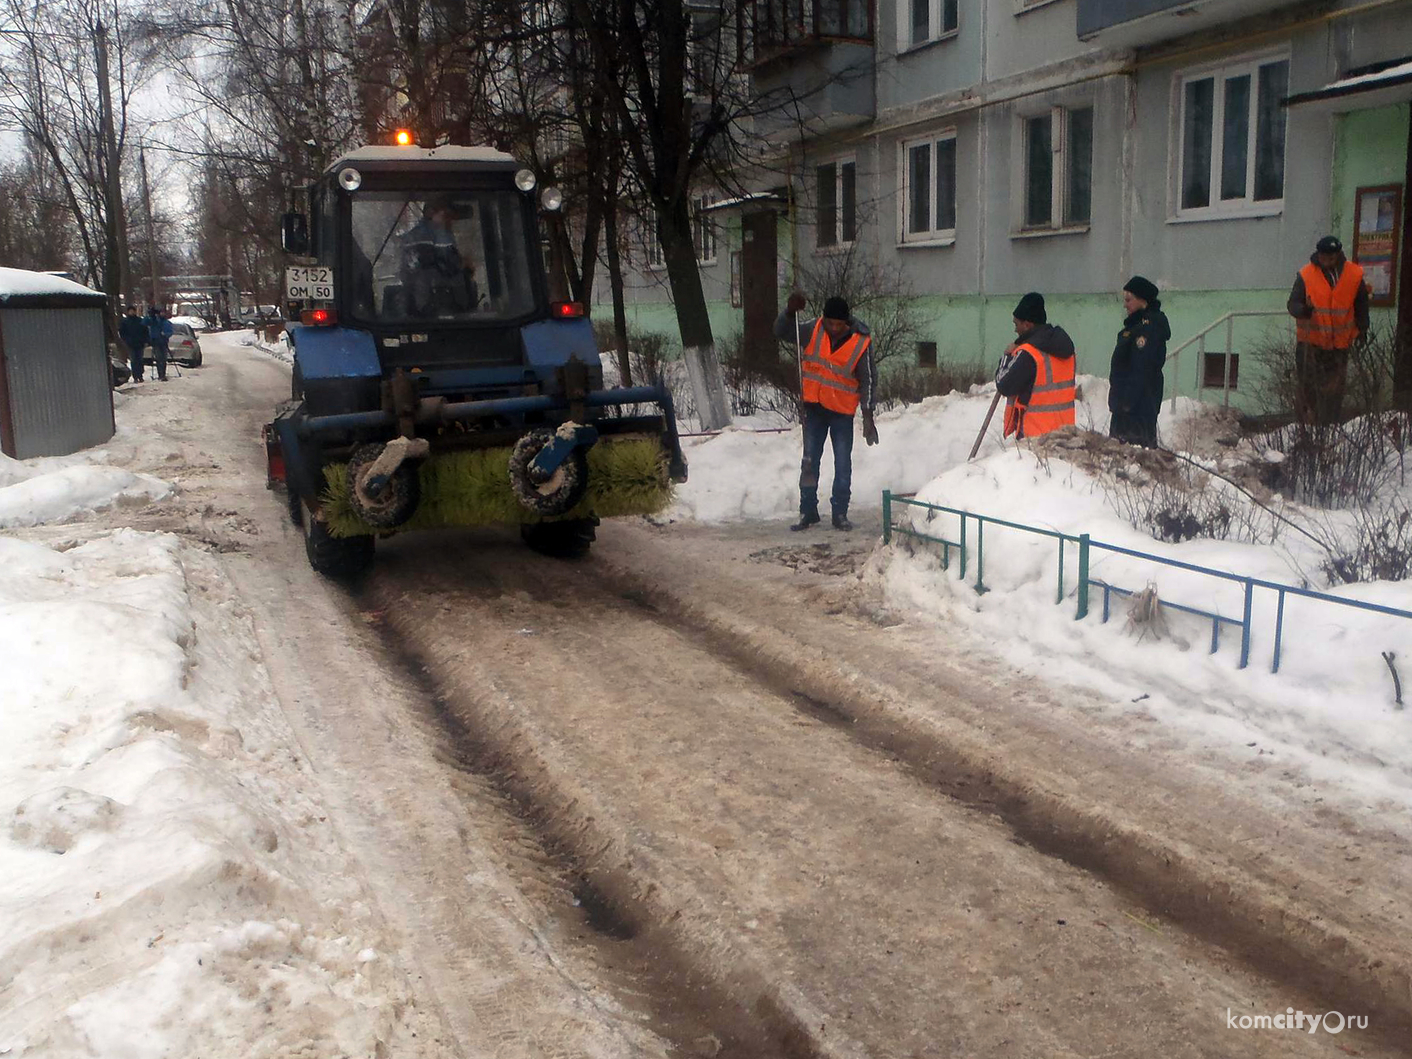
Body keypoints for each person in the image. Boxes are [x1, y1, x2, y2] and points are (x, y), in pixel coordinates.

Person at [776, 292, 878, 532]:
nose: (833, 328)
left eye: (838, 324)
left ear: (847, 321)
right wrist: (789, 312)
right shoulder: (813, 329)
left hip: (842, 412)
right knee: (809, 461)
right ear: (824, 318)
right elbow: (782, 331)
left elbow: (869, 379)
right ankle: (808, 510)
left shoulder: (860, 341)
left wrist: (868, 414)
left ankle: (840, 512)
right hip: (815, 409)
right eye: (830, 322)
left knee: (843, 463)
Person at [1286, 235, 1369, 425]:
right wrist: (1304, 310)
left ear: (1338, 255)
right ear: (1318, 254)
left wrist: (1362, 329)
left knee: (1334, 392)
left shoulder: (1354, 275)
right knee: (1309, 392)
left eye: (1331, 258)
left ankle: (1329, 428)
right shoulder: (1306, 275)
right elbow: (1292, 304)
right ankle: (1307, 430)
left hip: (1339, 345)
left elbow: (1361, 304)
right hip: (1310, 344)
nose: (1327, 262)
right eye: (1324, 258)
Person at [994, 292, 1076, 440]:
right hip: (1065, 435)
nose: (1015, 330)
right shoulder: (1066, 350)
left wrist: (1007, 356)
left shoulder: (1028, 353)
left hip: (1034, 438)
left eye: (1016, 324)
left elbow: (1004, 385)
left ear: (1027, 324)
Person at [1107, 276, 1170, 448]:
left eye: (1128, 300)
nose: (1125, 305)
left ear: (1143, 301)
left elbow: (1141, 370)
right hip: (1127, 407)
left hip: (1136, 410)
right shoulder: (1134, 328)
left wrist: (1126, 404)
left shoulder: (1148, 330)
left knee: (1133, 459)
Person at [401, 196, 478, 316]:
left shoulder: (412, 236)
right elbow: (447, 266)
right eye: (447, 215)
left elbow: (408, 272)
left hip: (416, 307)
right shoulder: (437, 233)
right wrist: (465, 265)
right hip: (435, 306)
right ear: (431, 213)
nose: (450, 221)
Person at [119, 305, 148, 383]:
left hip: (140, 343)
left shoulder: (140, 321)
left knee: (140, 360)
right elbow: (122, 333)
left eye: (133, 311)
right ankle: (135, 376)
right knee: (133, 360)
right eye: (130, 311)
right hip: (131, 344)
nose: (132, 312)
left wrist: (145, 340)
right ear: (128, 312)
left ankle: (140, 375)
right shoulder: (125, 321)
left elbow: (145, 331)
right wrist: (127, 340)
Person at [145, 305, 173, 382]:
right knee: (158, 358)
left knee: (163, 359)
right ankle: (160, 374)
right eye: (161, 312)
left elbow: (170, 331)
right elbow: (145, 323)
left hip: (164, 342)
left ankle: (162, 374)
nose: (162, 314)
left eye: (163, 312)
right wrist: (149, 315)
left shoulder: (167, 322)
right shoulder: (154, 321)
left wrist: (166, 334)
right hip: (156, 342)